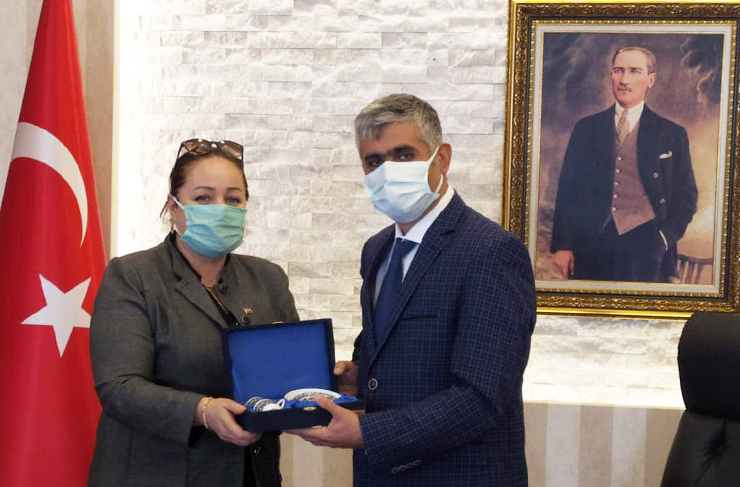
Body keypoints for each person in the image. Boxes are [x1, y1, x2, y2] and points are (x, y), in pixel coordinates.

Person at [287, 94, 537, 486]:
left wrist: (366, 432)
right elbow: (389, 345)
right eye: (374, 161)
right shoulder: (377, 250)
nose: (388, 171)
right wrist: (359, 375)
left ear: (442, 158)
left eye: (404, 155)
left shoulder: (491, 251)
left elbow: (482, 397)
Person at [88, 139, 299, 487]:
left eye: (233, 199)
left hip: (251, 473)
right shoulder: (133, 275)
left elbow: (290, 372)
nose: (221, 208)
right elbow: (119, 388)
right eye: (203, 198)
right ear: (173, 207)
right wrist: (203, 410)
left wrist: (324, 381)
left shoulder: (268, 278)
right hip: (157, 474)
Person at [551, 46, 698, 282]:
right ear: (611, 75)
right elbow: (568, 190)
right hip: (590, 246)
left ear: (651, 79)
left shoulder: (671, 134)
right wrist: (563, 245)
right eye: (618, 71)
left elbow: (687, 197)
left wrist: (663, 239)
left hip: (647, 249)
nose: (624, 80)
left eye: (634, 71)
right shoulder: (586, 128)